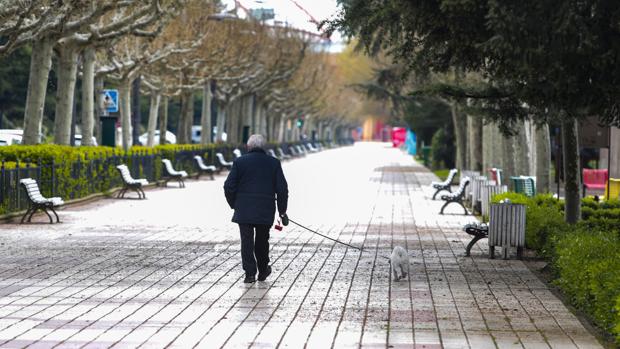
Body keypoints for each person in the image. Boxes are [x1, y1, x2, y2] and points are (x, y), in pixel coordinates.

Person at [224, 134, 289, 283]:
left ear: (248, 147)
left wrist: (234, 203)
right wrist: (282, 210)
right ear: (264, 147)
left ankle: (250, 273)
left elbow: (228, 186)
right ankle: (263, 269)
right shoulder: (273, 163)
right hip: (265, 209)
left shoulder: (240, 162)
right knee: (262, 240)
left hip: (244, 209)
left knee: (246, 241)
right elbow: (282, 189)